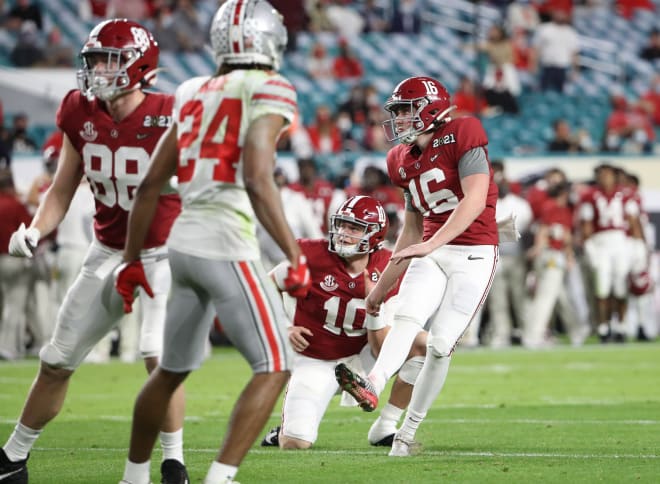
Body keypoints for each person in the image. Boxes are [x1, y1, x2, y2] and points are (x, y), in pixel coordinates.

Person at [113, 2, 311, 483]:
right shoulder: (270, 86)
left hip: (182, 244)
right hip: (226, 242)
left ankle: (133, 477)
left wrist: (132, 260)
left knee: (169, 371)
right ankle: (219, 479)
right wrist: (294, 253)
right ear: (269, 41)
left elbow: (149, 186)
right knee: (276, 365)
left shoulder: (192, 89)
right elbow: (258, 177)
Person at [1, 19, 189, 484]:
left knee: (155, 355)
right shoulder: (78, 110)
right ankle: (13, 457)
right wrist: (36, 228)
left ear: (141, 65)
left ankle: (173, 462)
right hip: (105, 249)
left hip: (164, 252)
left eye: (111, 59)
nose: (100, 70)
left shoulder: (173, 112)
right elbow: (63, 189)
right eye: (95, 60)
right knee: (56, 359)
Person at [334, 76, 500, 457]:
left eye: (405, 111)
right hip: (431, 248)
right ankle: (372, 383)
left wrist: (433, 242)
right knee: (407, 317)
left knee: (440, 345)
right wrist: (380, 289)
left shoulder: (464, 130)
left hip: (473, 251)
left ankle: (406, 433)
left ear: (429, 107)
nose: (399, 120)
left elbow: (474, 200)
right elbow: (410, 229)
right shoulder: (399, 160)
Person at [260, 196, 426, 449]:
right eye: (341, 225)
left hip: (362, 358)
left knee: (421, 343)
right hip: (315, 358)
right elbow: (263, 288)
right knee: (296, 443)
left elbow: (382, 350)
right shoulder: (311, 255)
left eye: (354, 228)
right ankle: (284, 429)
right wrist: (283, 325)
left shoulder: (390, 267)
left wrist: (374, 306)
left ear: (374, 235)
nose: (343, 234)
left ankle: (385, 426)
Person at [579, 163, 642, 343]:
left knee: (621, 286)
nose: (604, 178)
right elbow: (587, 225)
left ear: (614, 176)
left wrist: (639, 246)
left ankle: (620, 326)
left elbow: (633, 223)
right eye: (601, 175)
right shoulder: (590, 196)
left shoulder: (626, 195)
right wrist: (590, 246)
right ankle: (603, 327)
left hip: (621, 242)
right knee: (602, 287)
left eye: (607, 174)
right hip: (601, 243)